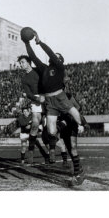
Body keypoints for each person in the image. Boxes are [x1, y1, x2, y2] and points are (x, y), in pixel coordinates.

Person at [23, 32, 85, 163]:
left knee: (73, 111)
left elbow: (50, 52)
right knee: (51, 131)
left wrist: (39, 43)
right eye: (54, 56)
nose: (54, 56)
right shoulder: (44, 68)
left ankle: (81, 124)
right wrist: (27, 43)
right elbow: (33, 57)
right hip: (49, 101)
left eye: (57, 56)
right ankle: (63, 128)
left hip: (59, 96)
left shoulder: (60, 67)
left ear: (60, 60)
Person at [17, 55, 49, 164]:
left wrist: (45, 96)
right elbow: (28, 94)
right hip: (36, 100)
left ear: (28, 62)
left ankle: (50, 153)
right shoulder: (24, 78)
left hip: (46, 96)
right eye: (20, 63)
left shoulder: (37, 70)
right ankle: (30, 152)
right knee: (35, 124)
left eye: (22, 62)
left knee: (47, 128)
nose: (21, 65)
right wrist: (37, 98)